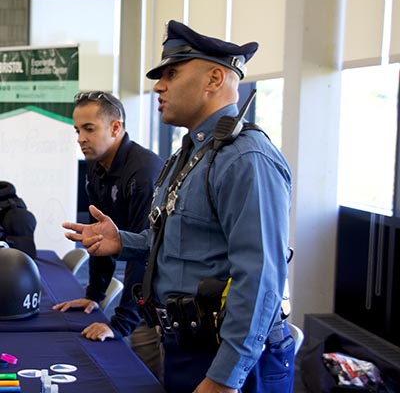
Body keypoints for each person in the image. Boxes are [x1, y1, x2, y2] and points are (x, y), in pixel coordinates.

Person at [62, 20, 295, 393]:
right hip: (186, 345)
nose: (158, 86)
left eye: (172, 73)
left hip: (225, 358)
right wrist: (124, 241)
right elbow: (178, 243)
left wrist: (224, 377)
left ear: (214, 79)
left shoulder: (245, 159)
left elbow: (261, 278)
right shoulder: (190, 155)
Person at [52, 91, 164, 379]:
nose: (80, 138)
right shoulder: (96, 166)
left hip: (159, 293)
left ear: (115, 127)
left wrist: (120, 324)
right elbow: (98, 240)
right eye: (77, 130)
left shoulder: (144, 172)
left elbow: (147, 253)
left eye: (89, 129)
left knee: (145, 376)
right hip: (136, 284)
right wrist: (94, 296)